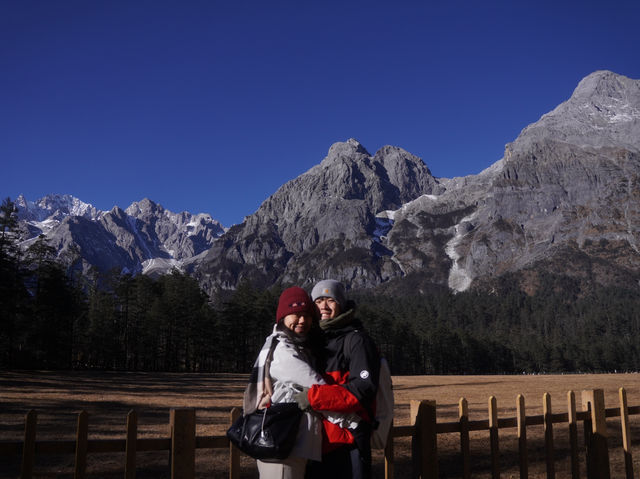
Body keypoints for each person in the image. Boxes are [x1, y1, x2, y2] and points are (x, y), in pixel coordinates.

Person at [244, 286, 358, 479]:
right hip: (282, 444)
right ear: (282, 317)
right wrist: (350, 423)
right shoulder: (284, 352)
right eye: (295, 314)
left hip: (289, 442)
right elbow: (319, 388)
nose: (302, 320)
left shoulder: (292, 345)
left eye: (306, 315)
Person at [296, 279, 381, 479]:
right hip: (317, 441)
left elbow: (364, 389)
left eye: (330, 300)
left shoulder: (357, 340)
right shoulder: (313, 341)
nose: (323, 306)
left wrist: (313, 397)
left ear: (341, 304)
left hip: (348, 441)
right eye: (318, 301)